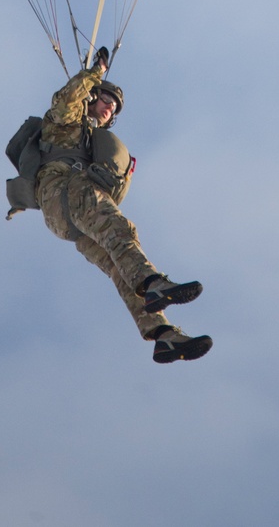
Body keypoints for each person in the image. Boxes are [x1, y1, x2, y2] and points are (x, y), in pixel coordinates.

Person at [35, 47, 212, 364]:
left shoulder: (93, 143)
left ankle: (163, 336)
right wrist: (94, 74)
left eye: (112, 108)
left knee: (120, 267)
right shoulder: (65, 123)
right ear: (91, 98)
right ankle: (155, 283)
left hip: (67, 223)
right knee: (120, 230)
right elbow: (66, 102)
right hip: (65, 190)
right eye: (104, 100)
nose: (107, 109)